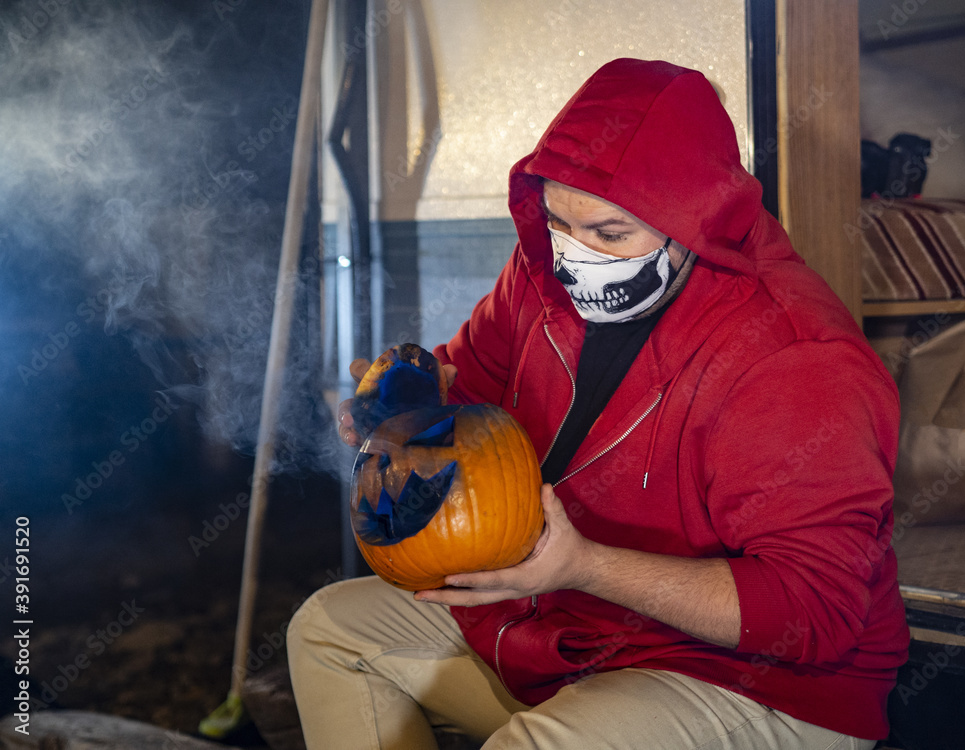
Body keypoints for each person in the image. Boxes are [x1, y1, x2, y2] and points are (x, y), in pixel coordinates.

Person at [288, 58, 909, 749]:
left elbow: (815, 611)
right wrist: (408, 404)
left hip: (754, 684)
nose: (576, 258)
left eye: (610, 235)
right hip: (574, 631)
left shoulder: (794, 361)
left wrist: (584, 565)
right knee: (330, 630)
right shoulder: (541, 276)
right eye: (560, 223)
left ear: (696, 220)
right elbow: (472, 384)